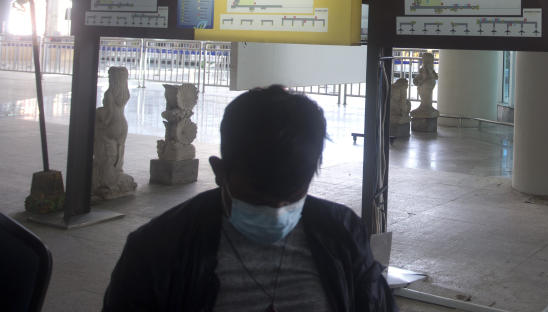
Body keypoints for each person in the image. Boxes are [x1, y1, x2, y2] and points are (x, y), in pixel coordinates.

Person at [103, 85, 397, 311]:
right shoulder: (158, 251)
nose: (278, 210)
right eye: (258, 198)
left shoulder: (343, 234)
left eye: (292, 196)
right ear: (219, 172)